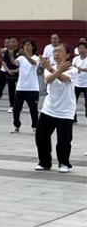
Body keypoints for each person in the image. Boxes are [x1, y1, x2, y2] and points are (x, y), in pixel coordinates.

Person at [35, 44, 77, 173]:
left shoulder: (73, 69)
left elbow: (64, 79)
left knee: (64, 140)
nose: (56, 54)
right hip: (49, 109)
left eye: (60, 51)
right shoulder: (49, 68)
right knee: (41, 136)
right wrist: (52, 69)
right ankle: (45, 162)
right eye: (55, 52)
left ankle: (64, 163)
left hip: (66, 111)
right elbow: (49, 79)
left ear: (68, 55)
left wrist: (53, 69)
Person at [11, 38, 40, 134]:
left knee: (33, 108)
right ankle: (16, 125)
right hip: (21, 87)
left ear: (32, 47)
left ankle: (35, 126)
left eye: (28, 45)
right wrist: (11, 56)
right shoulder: (20, 58)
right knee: (16, 108)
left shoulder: (36, 58)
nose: (26, 47)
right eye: (25, 45)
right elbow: (15, 63)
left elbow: (33, 63)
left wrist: (25, 54)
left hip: (32, 88)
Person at [1, 37, 20, 113]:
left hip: (19, 74)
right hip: (9, 73)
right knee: (11, 90)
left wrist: (17, 70)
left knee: (20, 91)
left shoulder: (20, 52)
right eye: (11, 41)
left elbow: (22, 63)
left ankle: (19, 105)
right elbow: (4, 62)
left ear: (17, 42)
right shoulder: (7, 52)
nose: (12, 43)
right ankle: (12, 106)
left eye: (14, 41)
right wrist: (8, 70)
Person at [72, 41, 87, 123]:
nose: (80, 50)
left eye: (82, 48)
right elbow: (73, 69)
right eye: (79, 48)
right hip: (76, 83)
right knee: (73, 101)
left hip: (86, 84)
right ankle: (73, 117)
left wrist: (80, 69)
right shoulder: (75, 59)